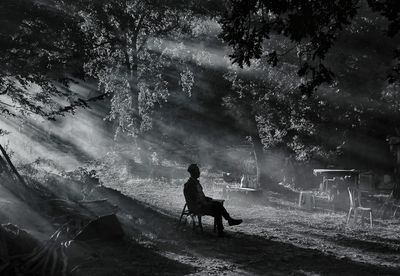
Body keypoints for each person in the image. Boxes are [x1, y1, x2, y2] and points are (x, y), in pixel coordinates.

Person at [184, 164, 242, 237]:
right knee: (218, 206)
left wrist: (208, 199)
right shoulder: (190, 185)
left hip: (200, 204)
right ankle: (227, 224)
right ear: (193, 172)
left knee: (217, 206)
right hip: (197, 207)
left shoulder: (194, 182)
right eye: (197, 171)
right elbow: (195, 199)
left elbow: (199, 196)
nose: (199, 172)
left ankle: (224, 226)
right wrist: (207, 203)